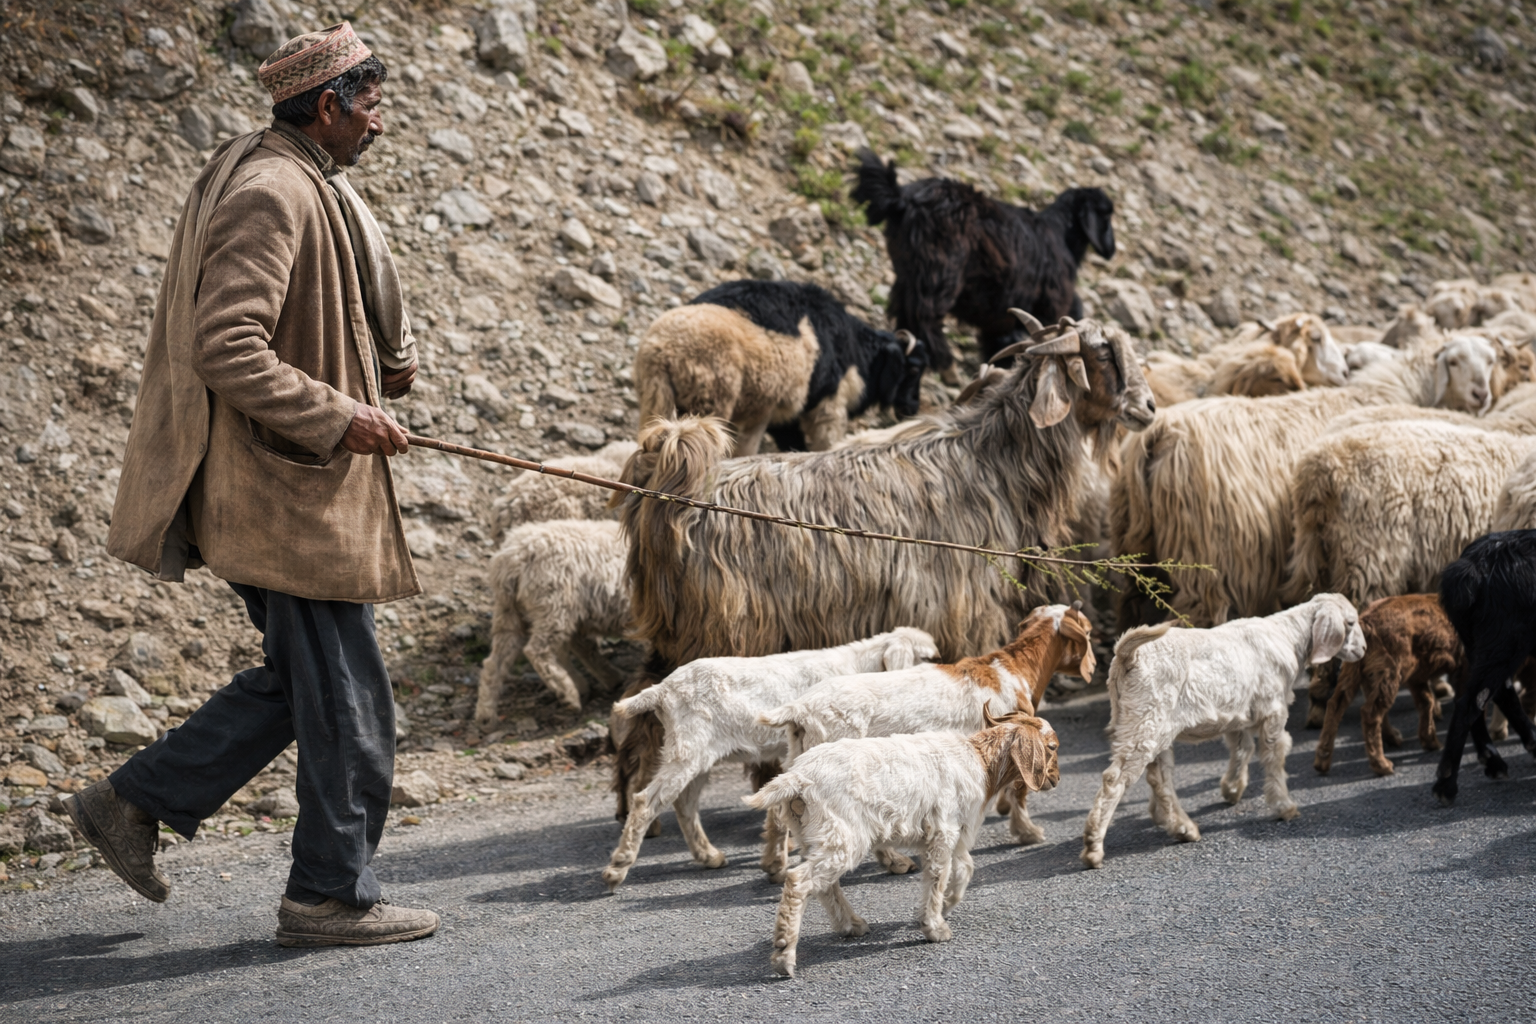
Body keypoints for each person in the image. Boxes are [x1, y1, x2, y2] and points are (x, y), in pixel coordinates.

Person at [65, 23, 439, 948]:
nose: (380, 123)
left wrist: (369, 375)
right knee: (348, 706)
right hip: (282, 496)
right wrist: (338, 414)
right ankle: (327, 898)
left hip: (289, 487)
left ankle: (133, 801)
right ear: (328, 105)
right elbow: (228, 346)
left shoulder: (290, 171)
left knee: (302, 684)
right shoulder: (273, 190)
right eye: (371, 105)